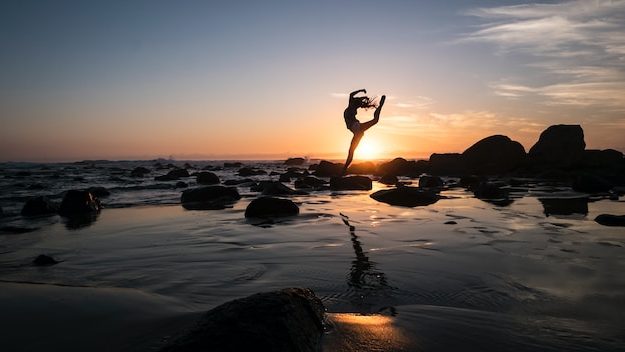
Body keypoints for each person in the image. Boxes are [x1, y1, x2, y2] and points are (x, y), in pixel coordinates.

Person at [342, 89, 386, 175]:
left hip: (356, 128)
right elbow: (351, 94)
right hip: (358, 131)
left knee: (351, 151)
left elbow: (352, 95)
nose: (359, 105)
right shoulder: (352, 105)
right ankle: (343, 170)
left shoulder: (351, 105)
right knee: (351, 151)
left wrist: (362, 93)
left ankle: (343, 170)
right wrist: (362, 92)